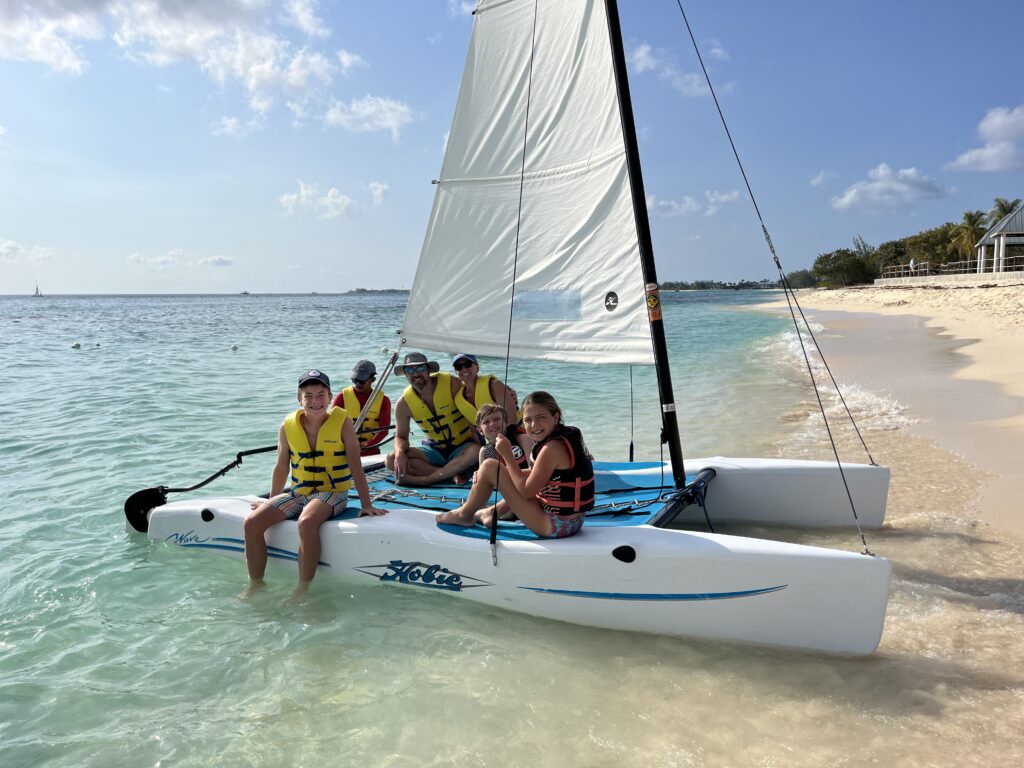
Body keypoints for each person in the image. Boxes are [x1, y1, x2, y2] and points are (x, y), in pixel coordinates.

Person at [242, 369, 386, 599]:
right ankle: (256, 584)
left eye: (321, 395)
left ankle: (302, 589)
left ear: (330, 397)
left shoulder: (343, 423)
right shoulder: (287, 426)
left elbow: (356, 466)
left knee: (306, 521)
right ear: (299, 399)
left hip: (332, 493)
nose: (315, 401)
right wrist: (272, 501)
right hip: (299, 493)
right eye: (308, 396)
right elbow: (281, 468)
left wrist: (366, 504)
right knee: (252, 522)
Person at [437, 391, 594, 538]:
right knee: (498, 471)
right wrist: (504, 475)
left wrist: (507, 456)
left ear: (555, 416)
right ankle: (490, 512)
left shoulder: (551, 448)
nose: (534, 425)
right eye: (528, 420)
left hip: (555, 526)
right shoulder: (564, 437)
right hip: (574, 521)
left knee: (490, 466)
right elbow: (535, 474)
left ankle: (464, 515)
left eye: (541, 417)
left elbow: (526, 492)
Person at [385, 352, 480, 486]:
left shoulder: (452, 384)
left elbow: (476, 394)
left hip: (463, 447)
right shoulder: (403, 404)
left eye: (421, 368)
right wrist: (399, 453)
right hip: (435, 451)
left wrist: (501, 391)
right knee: (390, 459)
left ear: (429, 370)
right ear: (405, 374)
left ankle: (427, 479)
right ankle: (450, 475)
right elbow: (401, 437)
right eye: (410, 370)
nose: (416, 374)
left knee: (476, 452)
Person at [332, 359, 391, 456]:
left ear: (373, 379)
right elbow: (332, 425)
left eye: (362, 381)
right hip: (346, 451)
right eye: (355, 380)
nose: (357, 384)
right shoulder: (342, 397)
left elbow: (384, 431)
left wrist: (369, 444)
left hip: (371, 452)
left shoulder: (384, 401)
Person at [451, 353, 518, 427]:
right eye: (458, 367)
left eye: (468, 364)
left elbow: (512, 419)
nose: (463, 369)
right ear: (455, 372)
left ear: (477, 367)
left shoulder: (494, 385)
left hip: (515, 432)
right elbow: (473, 429)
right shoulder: (459, 399)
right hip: (489, 437)